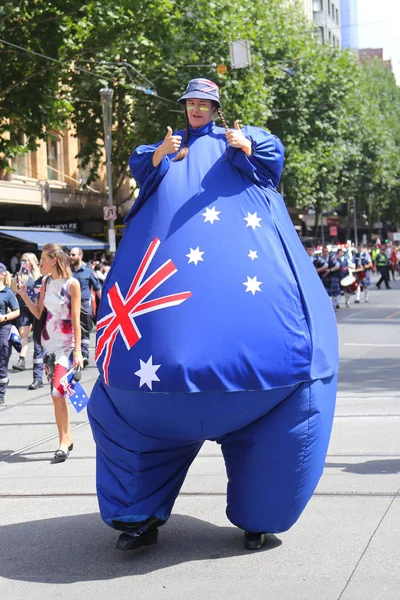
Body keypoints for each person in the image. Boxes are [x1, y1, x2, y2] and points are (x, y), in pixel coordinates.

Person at [88, 78, 338, 551]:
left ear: (216, 107)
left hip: (235, 376)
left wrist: (248, 143)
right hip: (168, 378)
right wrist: (161, 153)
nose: (197, 109)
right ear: (183, 107)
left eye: (205, 103)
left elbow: (269, 153)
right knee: (288, 401)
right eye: (191, 103)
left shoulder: (239, 151)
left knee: (278, 416)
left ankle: (255, 516)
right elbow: (142, 164)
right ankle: (139, 514)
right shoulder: (168, 155)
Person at [18, 244, 83, 461]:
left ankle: (63, 443)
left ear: (54, 259)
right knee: (60, 395)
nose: (41, 262)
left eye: (43, 258)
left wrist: (78, 352)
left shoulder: (72, 284)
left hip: (65, 346)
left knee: (57, 393)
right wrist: (24, 295)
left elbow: (76, 322)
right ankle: (69, 435)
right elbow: (39, 313)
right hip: (48, 347)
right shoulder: (45, 282)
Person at [11, 253, 44, 389]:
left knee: (38, 343)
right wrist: (17, 278)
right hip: (24, 308)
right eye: (22, 260)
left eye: (26, 260)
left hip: (37, 309)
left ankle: (39, 377)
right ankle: (22, 359)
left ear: (32, 262)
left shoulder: (40, 276)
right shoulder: (21, 276)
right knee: (23, 334)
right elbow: (13, 289)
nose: (23, 262)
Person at [69, 247, 101, 368]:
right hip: (70, 305)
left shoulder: (88, 272)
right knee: (73, 329)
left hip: (84, 305)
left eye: (73, 255)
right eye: (70, 255)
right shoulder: (68, 272)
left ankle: (85, 354)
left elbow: (98, 288)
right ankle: (77, 354)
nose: (70, 257)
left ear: (80, 256)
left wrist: (104, 304)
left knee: (85, 330)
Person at [0, 264, 20, 405]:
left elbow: (17, 311)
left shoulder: (8, 293)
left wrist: (4, 318)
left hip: (3, 329)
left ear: (2, 275)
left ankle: (1, 392)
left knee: (2, 360)